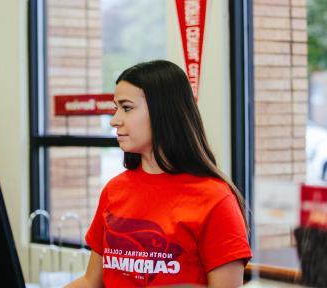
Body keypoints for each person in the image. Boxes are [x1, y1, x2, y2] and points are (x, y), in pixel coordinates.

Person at [67, 60, 251, 287]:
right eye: (116, 108)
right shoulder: (114, 190)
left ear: (162, 111)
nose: (115, 120)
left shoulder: (215, 200)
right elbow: (90, 282)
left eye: (126, 108)